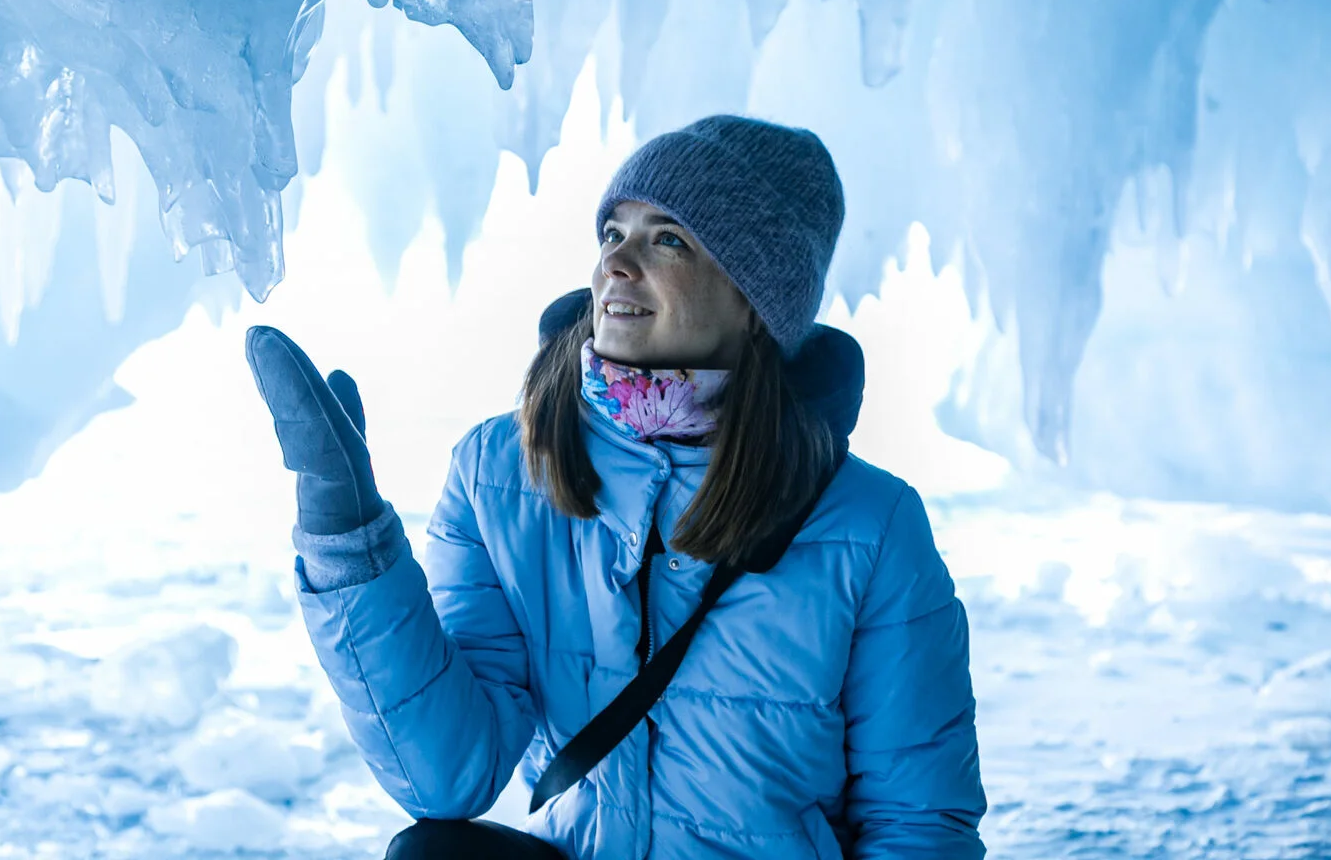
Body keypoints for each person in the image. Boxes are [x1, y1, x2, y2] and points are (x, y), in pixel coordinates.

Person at [246, 115, 986, 858]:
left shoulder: (868, 524)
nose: (617, 265)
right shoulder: (499, 472)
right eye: (612, 233)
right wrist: (350, 546)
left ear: (755, 301)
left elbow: (919, 825)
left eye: (668, 239)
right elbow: (446, 779)